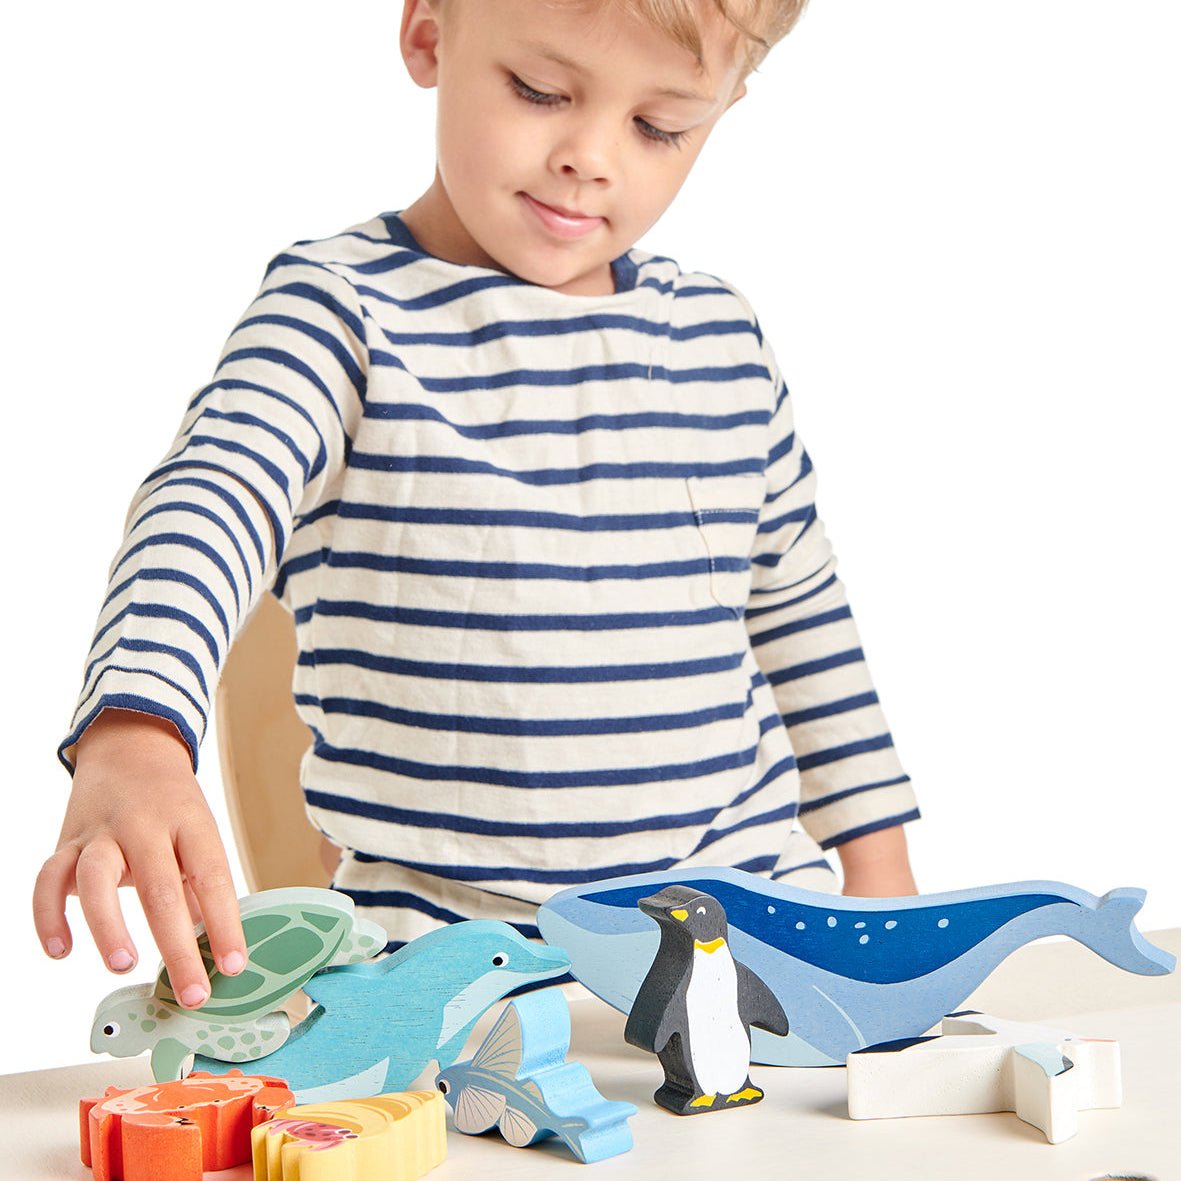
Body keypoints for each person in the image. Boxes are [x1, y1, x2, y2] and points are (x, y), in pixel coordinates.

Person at [33, 0, 920, 1014]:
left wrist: (879, 879)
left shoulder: (720, 339)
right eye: (539, 91)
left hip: (750, 941)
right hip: (451, 981)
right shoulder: (340, 316)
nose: (589, 157)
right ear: (427, 34)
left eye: (658, 125)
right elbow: (211, 497)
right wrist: (134, 729)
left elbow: (804, 620)